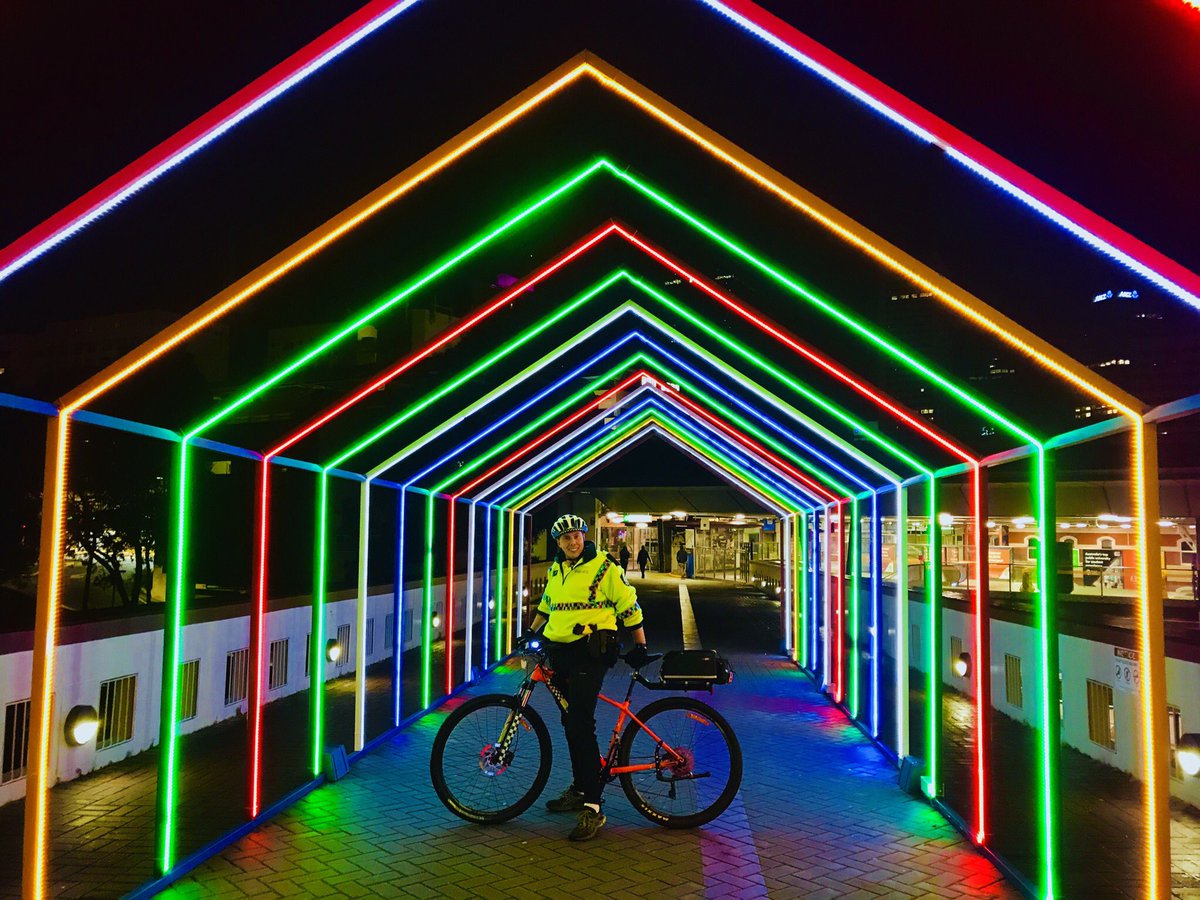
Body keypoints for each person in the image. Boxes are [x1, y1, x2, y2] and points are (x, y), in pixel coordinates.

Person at [526, 513, 649, 842]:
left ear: (585, 536)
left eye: (577, 536)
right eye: (566, 538)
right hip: (562, 652)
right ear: (559, 543)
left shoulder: (604, 566)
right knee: (570, 721)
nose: (572, 542)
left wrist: (640, 643)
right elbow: (548, 606)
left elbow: (628, 604)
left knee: (580, 722)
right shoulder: (557, 569)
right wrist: (529, 632)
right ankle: (582, 787)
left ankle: (594, 806)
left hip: (591, 652)